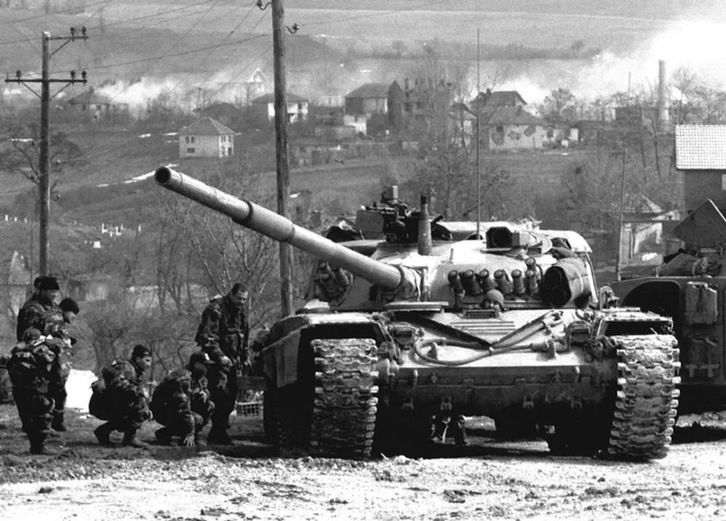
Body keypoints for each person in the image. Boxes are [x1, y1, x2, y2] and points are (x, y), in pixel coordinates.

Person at [194, 282, 249, 444]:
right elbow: (208, 337)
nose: (241, 302)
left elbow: (244, 336)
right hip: (216, 361)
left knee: (230, 397)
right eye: (239, 298)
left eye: (244, 299)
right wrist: (220, 356)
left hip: (233, 361)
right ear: (231, 295)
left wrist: (244, 358)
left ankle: (219, 431)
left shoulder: (241, 313)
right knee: (218, 395)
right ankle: (202, 430)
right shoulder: (216, 310)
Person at [6, 327, 65, 454]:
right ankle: (38, 446)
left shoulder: (16, 350)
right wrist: (55, 388)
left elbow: (8, 367)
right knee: (41, 417)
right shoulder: (42, 350)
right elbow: (54, 371)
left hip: (18, 390)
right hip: (36, 389)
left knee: (27, 417)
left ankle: (35, 444)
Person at [89, 344, 153, 448]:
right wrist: (140, 393)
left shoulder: (136, 371)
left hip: (110, 404)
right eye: (147, 360)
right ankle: (129, 439)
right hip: (103, 405)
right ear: (138, 359)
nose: (149, 364)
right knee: (138, 404)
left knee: (139, 407)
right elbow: (118, 385)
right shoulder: (126, 368)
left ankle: (103, 431)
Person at [150, 351, 215, 447]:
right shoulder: (183, 378)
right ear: (197, 364)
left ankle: (169, 433)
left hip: (176, 408)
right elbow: (183, 407)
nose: (207, 368)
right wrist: (190, 432)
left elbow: (204, 389)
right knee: (197, 419)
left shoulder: (198, 375)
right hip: (163, 410)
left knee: (209, 405)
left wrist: (205, 394)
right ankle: (179, 435)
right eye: (205, 365)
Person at [43, 297, 80, 432]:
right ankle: (51, 424)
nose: (74, 317)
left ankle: (54, 423)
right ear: (66, 311)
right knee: (55, 392)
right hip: (51, 362)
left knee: (56, 392)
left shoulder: (55, 318)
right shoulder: (56, 319)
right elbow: (50, 340)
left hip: (52, 361)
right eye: (73, 313)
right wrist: (65, 342)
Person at [16, 275, 61, 342]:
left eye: (56, 292)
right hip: (36, 344)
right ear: (42, 291)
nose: (55, 295)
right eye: (51, 292)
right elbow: (26, 333)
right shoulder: (31, 308)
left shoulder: (55, 307)